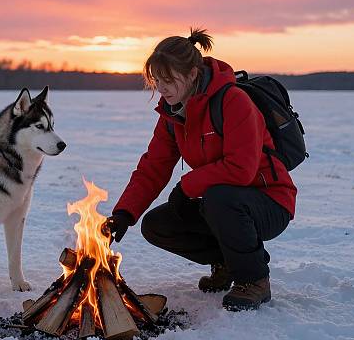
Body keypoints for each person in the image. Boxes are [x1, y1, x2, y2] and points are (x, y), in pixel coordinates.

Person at [104, 28, 297, 311]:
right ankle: (228, 263)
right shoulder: (172, 115)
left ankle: (254, 279)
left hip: (269, 201)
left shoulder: (233, 102)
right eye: (156, 79)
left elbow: (241, 169)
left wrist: (187, 186)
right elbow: (152, 168)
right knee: (157, 225)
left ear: (193, 74)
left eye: (168, 79)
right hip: (223, 204)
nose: (161, 87)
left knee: (221, 198)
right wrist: (124, 213)